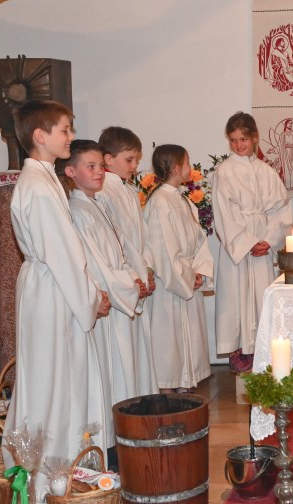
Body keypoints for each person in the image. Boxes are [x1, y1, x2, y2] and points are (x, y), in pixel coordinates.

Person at [6, 100, 110, 501]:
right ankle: (47, 474)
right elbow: (64, 254)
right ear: (41, 135)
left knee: (58, 377)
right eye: (65, 130)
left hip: (52, 285)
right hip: (53, 289)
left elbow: (67, 252)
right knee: (54, 379)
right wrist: (91, 297)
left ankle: (61, 468)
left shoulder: (44, 179)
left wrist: (88, 292)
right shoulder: (38, 186)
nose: (70, 136)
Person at [65, 139, 154, 462]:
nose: (99, 172)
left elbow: (121, 248)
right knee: (113, 375)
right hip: (109, 305)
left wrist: (138, 276)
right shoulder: (77, 211)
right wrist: (129, 284)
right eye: (91, 167)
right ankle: (112, 448)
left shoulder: (99, 203)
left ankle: (128, 435)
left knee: (126, 373)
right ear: (71, 171)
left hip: (122, 295)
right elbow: (95, 265)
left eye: (100, 165)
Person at [213, 112, 293, 373]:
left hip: (262, 244)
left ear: (254, 138)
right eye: (233, 140)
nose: (239, 145)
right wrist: (247, 242)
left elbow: (280, 209)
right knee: (236, 298)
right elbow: (224, 212)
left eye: (243, 139)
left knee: (261, 297)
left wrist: (268, 240)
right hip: (238, 247)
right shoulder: (224, 172)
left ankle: (262, 353)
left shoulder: (266, 172)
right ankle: (239, 352)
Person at [144, 144, 214, 393]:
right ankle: (167, 387)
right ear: (175, 168)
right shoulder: (161, 201)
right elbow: (163, 246)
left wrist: (199, 269)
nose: (190, 167)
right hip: (170, 282)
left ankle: (184, 381)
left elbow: (198, 238)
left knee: (187, 335)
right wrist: (185, 277)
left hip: (186, 272)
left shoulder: (180, 198)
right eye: (187, 163)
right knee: (168, 337)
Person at [99, 126, 158, 398]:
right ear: (108, 159)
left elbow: (141, 237)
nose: (135, 167)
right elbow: (121, 243)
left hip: (136, 277)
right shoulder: (104, 192)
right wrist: (135, 275)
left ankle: (139, 401)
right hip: (123, 279)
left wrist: (147, 269)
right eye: (129, 160)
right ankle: (125, 404)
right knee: (122, 350)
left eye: (136, 160)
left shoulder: (127, 190)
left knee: (137, 349)